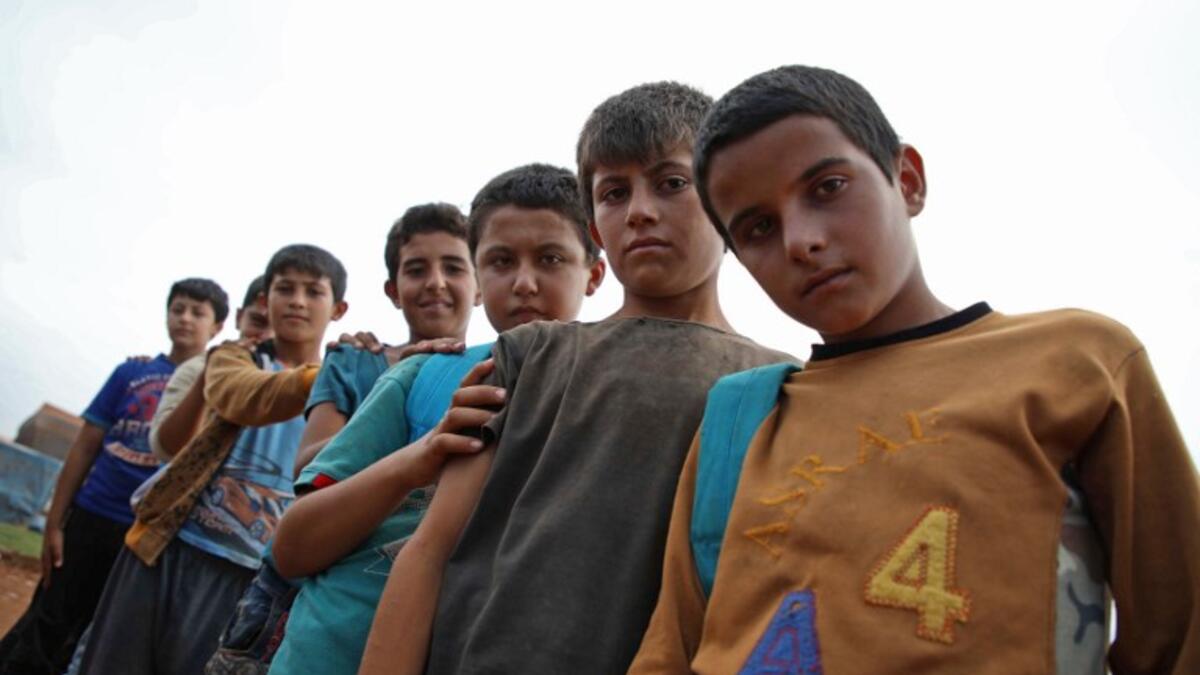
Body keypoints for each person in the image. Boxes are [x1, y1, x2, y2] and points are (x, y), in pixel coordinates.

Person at [628, 65, 1200, 674]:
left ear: (907, 180)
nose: (801, 240)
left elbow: (1177, 634)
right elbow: (671, 650)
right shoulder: (739, 419)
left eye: (827, 188)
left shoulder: (1076, 361)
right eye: (759, 227)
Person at [359, 83, 796, 675]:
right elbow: (431, 548)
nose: (640, 210)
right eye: (615, 192)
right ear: (594, 223)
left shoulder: (780, 385)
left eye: (671, 183)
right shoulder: (530, 355)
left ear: (724, 193)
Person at [266, 163, 605, 675]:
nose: (524, 283)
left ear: (594, 273)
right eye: (500, 261)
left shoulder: (611, 396)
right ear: (479, 275)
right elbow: (291, 548)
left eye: (551, 258)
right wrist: (423, 455)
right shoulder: (423, 374)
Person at [204, 203, 481, 674]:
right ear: (394, 291)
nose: (435, 282)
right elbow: (308, 461)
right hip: (304, 582)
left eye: (453, 267)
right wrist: (398, 423)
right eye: (417, 270)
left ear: (477, 284)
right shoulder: (358, 361)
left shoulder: (490, 372)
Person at [78, 244, 348, 675]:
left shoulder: (344, 390)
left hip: (252, 576)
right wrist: (339, 372)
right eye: (285, 289)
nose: (297, 301)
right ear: (265, 300)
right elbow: (247, 396)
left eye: (313, 292)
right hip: (169, 545)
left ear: (338, 308)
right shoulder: (233, 360)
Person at [0, 278, 228, 675]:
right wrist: (55, 520)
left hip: (145, 535)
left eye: (198, 312)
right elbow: (85, 446)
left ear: (218, 327)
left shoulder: (219, 389)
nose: (185, 319)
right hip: (92, 518)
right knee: (47, 623)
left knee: (100, 640)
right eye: (178, 309)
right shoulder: (132, 372)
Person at [150, 274, 273, 461]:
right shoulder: (197, 369)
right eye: (257, 322)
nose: (267, 335)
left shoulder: (311, 385)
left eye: (280, 328)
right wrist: (208, 377)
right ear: (239, 317)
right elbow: (167, 449)